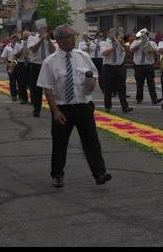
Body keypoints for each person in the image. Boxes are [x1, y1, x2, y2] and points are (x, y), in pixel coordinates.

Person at [37, 24, 112, 188]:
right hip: (63, 108)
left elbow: (93, 73)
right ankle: (57, 175)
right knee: (60, 143)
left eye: (74, 36)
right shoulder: (50, 62)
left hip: (84, 106)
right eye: (71, 36)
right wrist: (55, 111)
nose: (73, 39)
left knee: (91, 141)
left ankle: (99, 173)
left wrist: (92, 83)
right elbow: (47, 89)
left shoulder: (82, 55)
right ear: (60, 40)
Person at [101, 27, 133, 113]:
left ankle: (125, 107)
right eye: (112, 32)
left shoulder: (122, 40)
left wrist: (122, 43)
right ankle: (108, 107)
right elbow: (104, 53)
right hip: (108, 67)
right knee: (108, 88)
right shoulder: (104, 42)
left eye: (115, 32)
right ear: (108, 33)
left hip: (120, 67)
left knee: (122, 88)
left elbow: (129, 51)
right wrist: (113, 48)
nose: (114, 34)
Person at [28, 27, 55, 117]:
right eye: (42, 29)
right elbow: (33, 49)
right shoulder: (32, 38)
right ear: (38, 29)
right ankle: (37, 110)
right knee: (36, 90)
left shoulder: (49, 39)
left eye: (45, 29)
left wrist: (48, 41)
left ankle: (54, 109)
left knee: (50, 87)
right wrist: (41, 40)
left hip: (47, 65)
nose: (44, 30)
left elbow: (53, 51)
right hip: (36, 65)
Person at [130, 31, 161, 105]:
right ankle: (139, 99)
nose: (144, 37)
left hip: (149, 65)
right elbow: (132, 50)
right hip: (138, 65)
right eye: (142, 36)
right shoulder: (136, 42)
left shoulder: (152, 43)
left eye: (145, 36)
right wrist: (140, 44)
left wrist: (150, 49)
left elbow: (156, 52)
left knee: (151, 84)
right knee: (139, 84)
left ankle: (154, 99)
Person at [14, 30, 31, 104]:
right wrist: (21, 51)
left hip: (30, 63)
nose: (26, 39)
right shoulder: (18, 44)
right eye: (25, 37)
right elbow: (15, 56)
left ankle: (33, 99)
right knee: (22, 82)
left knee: (31, 82)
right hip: (21, 63)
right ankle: (24, 98)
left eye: (27, 37)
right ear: (22, 37)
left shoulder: (32, 43)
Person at [1, 35, 20, 102]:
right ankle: (14, 96)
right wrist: (8, 64)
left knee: (20, 81)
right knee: (12, 81)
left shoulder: (19, 46)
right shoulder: (7, 47)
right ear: (11, 39)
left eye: (16, 39)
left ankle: (20, 95)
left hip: (18, 64)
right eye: (13, 39)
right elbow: (3, 57)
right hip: (10, 63)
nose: (14, 40)